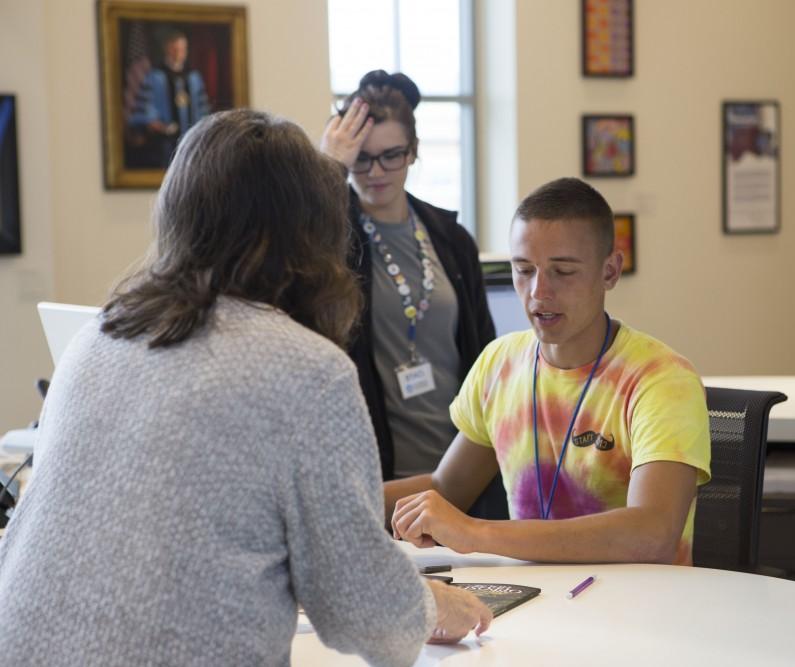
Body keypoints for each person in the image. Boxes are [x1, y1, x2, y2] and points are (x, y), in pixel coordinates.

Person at [0, 109, 490, 666]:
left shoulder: (100, 333)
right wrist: (431, 609)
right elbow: (362, 611)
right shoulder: (306, 369)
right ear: (311, 232)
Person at [385, 177, 712, 565]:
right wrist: (326, 500)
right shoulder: (499, 363)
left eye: (563, 271)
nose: (539, 292)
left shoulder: (661, 379)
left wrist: (476, 532)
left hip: (639, 612)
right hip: (536, 602)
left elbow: (651, 534)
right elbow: (445, 488)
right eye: (524, 270)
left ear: (609, 271)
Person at [320, 70, 505, 517]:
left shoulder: (449, 237)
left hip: (463, 469)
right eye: (361, 159)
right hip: (380, 470)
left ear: (414, 151)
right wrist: (328, 169)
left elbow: (486, 354)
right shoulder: (331, 238)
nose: (376, 172)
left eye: (391, 156)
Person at [126, 29, 211, 168]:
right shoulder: (155, 77)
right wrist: (158, 125)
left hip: (192, 145)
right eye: (175, 49)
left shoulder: (194, 78)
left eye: (182, 49)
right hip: (162, 146)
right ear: (167, 49)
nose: (179, 53)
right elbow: (146, 111)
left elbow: (203, 111)